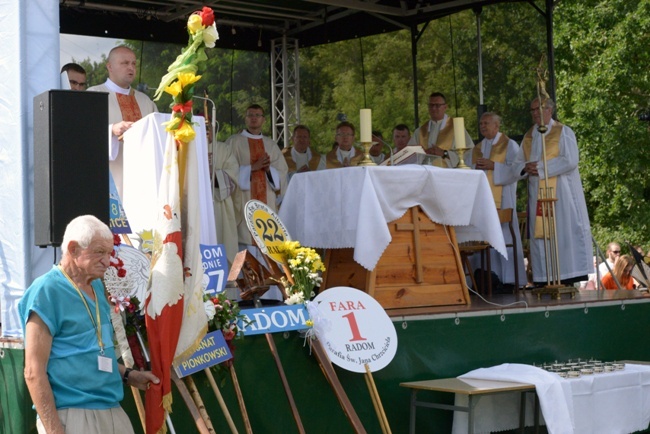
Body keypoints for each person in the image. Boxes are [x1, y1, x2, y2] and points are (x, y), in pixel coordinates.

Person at [19, 215, 159, 434]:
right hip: (72, 415)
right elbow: (33, 371)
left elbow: (91, 354)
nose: (107, 260)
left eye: (109, 253)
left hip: (112, 411)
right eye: (99, 252)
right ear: (73, 249)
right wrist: (55, 431)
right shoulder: (46, 291)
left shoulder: (98, 288)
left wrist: (128, 375)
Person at [513, 97, 592, 285]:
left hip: (561, 196)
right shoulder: (528, 137)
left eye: (538, 109)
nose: (534, 113)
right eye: (531, 110)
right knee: (541, 235)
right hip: (537, 196)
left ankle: (568, 276)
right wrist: (525, 168)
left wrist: (539, 168)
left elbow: (570, 160)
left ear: (549, 110)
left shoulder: (563, 132)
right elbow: (516, 164)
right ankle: (544, 278)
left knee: (563, 232)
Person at [87, 46, 158, 200]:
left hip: (144, 182)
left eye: (133, 63)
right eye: (125, 63)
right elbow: (82, 135)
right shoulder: (94, 95)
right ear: (109, 67)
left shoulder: (145, 101)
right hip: (109, 182)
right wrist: (111, 130)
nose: (131, 67)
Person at [469, 112, 526, 288]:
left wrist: (494, 165)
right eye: (481, 124)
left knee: (504, 237)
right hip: (483, 203)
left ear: (497, 126)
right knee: (483, 238)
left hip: (503, 201)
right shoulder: (477, 148)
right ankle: (484, 280)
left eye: (486, 123)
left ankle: (508, 280)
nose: (483, 126)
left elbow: (518, 171)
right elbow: (469, 171)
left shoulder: (510, 145)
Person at [227, 104, 288, 246]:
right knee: (246, 241)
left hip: (267, 199)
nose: (254, 118)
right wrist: (252, 168)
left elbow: (282, 172)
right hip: (244, 199)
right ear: (245, 119)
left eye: (257, 115)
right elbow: (228, 171)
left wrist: (268, 170)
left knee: (268, 241)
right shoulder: (234, 142)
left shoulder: (271, 144)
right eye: (250, 115)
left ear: (264, 120)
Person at [407, 92, 473, 168]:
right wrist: (423, 153)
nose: (434, 108)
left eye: (437, 105)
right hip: (425, 172)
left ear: (445, 107)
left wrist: (444, 153)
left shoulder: (455, 128)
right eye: (431, 105)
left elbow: (469, 151)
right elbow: (409, 154)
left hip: (447, 173)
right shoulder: (420, 131)